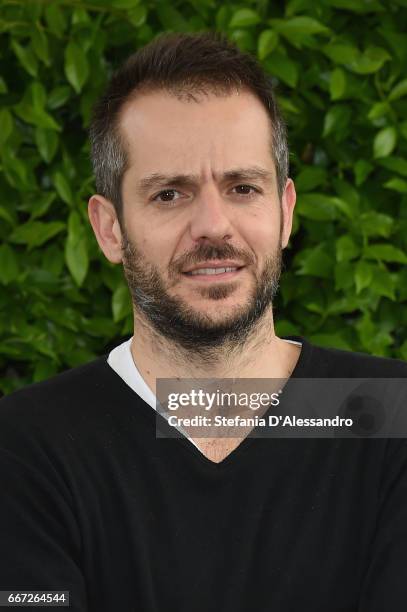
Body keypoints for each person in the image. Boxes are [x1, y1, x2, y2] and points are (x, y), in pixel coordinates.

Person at [0, 32, 406, 612]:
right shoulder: (24, 447)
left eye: (243, 188)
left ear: (286, 212)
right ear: (110, 228)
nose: (214, 226)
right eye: (169, 194)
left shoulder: (389, 415)